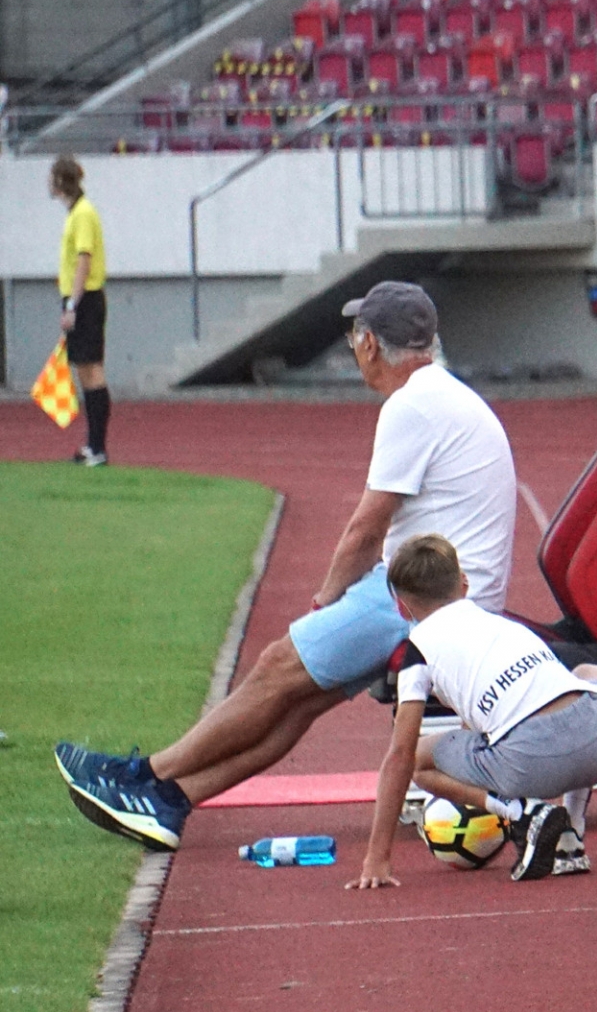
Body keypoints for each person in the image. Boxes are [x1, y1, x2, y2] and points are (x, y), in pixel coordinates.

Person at [57, 282, 519, 852]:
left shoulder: (411, 406)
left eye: (355, 336)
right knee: (299, 699)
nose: (353, 345)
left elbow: (365, 529)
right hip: (448, 593)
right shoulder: (444, 394)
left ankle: (143, 775)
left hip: (427, 599)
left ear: (370, 344)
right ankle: (171, 800)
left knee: (279, 666)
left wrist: (327, 599)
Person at [348, 535, 597, 889]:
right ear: (464, 584)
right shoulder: (501, 624)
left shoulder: (417, 652)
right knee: (589, 672)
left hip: (531, 765)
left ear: (401, 607)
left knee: (418, 759)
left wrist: (376, 858)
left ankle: (522, 812)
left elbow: (401, 755)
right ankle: (571, 835)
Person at [50, 156, 110, 466]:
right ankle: (92, 444)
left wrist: (72, 305)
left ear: (61, 181)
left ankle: (97, 447)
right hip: (80, 298)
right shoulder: (77, 213)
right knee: (85, 371)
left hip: (85, 299)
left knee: (92, 370)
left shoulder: (83, 214)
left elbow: (84, 261)